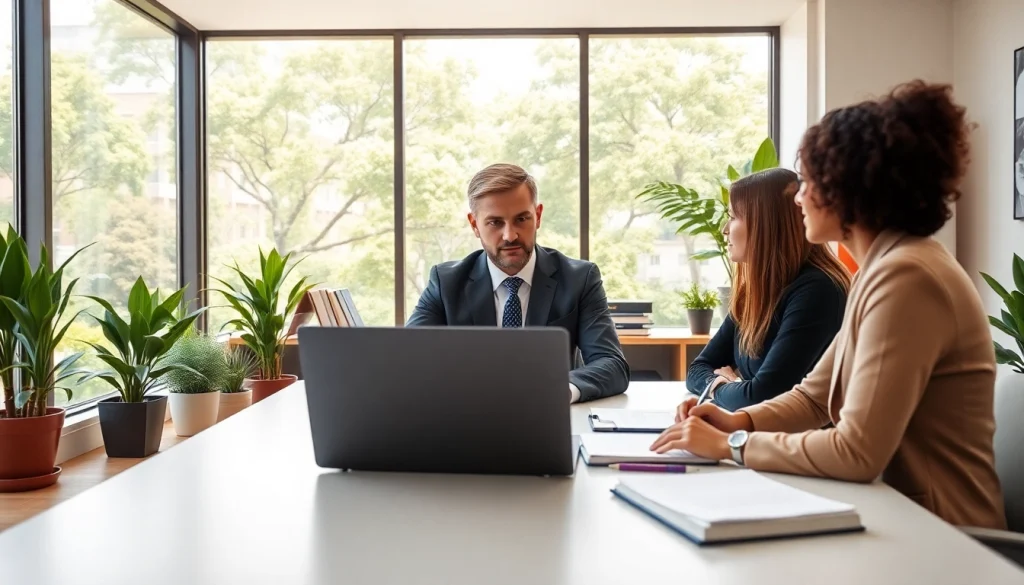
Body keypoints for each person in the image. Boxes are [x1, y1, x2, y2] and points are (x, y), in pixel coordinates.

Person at [652, 80, 1007, 529]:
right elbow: (813, 398)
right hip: (894, 513)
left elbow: (857, 451)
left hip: (940, 533)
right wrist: (733, 418)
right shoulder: (883, 269)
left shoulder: (908, 277)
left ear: (847, 190)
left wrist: (731, 445)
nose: (798, 197)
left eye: (809, 182)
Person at [407, 163, 629, 403]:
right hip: (466, 418)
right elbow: (406, 359)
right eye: (495, 223)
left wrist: (561, 390)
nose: (510, 235)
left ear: (538, 216)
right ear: (474, 225)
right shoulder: (446, 283)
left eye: (521, 219)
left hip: (548, 415)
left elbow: (612, 364)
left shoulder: (579, 279)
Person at [686, 167, 850, 411]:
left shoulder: (818, 291)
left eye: (733, 217)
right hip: (766, 435)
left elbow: (763, 396)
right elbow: (698, 369)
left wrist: (721, 386)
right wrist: (728, 386)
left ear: (765, 224)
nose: (725, 229)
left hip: (802, 443)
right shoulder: (756, 293)